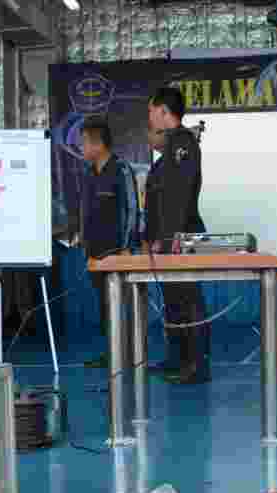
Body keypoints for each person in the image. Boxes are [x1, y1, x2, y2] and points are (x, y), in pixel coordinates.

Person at [143, 86, 210, 384]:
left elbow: (179, 198)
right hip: (168, 238)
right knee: (173, 300)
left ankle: (195, 365)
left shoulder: (183, 143)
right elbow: (159, 199)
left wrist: (170, 237)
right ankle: (177, 358)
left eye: (151, 111)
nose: (150, 118)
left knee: (187, 299)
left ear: (163, 111)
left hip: (181, 236)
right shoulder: (170, 148)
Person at [79, 118, 141, 369]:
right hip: (96, 253)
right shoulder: (89, 174)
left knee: (120, 304)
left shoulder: (121, 169)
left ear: (99, 144)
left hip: (118, 253)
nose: (81, 148)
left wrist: (126, 247)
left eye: (83, 143)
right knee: (105, 306)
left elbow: (132, 209)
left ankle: (127, 354)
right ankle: (113, 352)